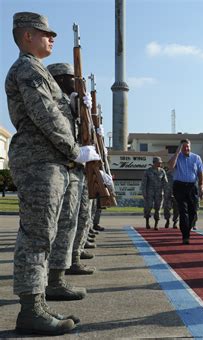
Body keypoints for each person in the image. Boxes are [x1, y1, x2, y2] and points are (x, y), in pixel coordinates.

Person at [6, 12, 100, 335]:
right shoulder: (27, 68)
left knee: (44, 234)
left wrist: (79, 107)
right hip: (38, 161)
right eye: (45, 33)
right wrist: (75, 150)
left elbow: (59, 113)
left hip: (49, 162)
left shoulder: (38, 70)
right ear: (27, 36)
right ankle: (30, 310)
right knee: (36, 234)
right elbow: (46, 114)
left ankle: (38, 302)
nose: (52, 38)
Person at [46, 63, 95, 279]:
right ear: (59, 79)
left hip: (72, 168)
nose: (75, 83)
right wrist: (77, 152)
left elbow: (81, 133)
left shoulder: (68, 102)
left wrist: (84, 114)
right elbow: (57, 129)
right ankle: (53, 278)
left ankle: (68, 264)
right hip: (55, 165)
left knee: (72, 221)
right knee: (52, 227)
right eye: (71, 78)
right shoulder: (53, 99)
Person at [168, 139, 203, 244]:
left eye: (188, 147)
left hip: (192, 187)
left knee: (193, 212)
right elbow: (170, 166)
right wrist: (177, 152)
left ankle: (187, 230)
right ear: (180, 148)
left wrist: (202, 184)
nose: (186, 149)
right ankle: (185, 236)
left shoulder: (196, 158)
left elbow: (200, 173)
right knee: (183, 211)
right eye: (184, 147)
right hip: (179, 186)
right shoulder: (176, 157)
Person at [141, 157, 168, 229]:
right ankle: (147, 222)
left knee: (158, 208)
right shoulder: (148, 171)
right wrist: (144, 193)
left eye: (161, 162)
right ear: (154, 163)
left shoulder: (162, 171)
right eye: (159, 162)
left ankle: (156, 224)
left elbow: (165, 183)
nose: (160, 164)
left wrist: (166, 193)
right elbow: (144, 183)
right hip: (150, 192)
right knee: (148, 207)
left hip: (159, 193)